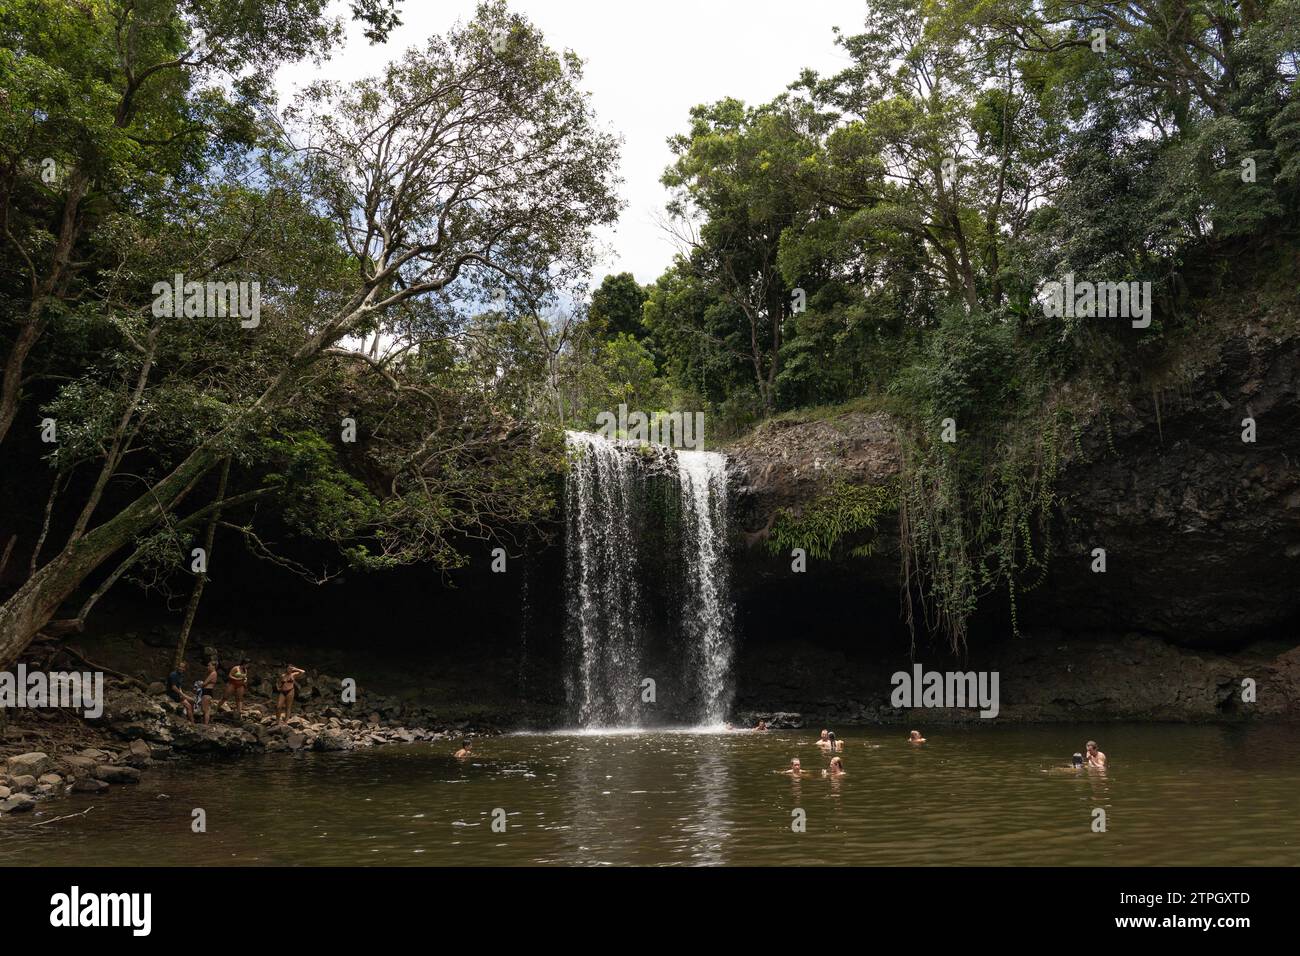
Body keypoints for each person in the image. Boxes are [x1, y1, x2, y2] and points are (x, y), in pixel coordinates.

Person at [200, 660, 219, 725]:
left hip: (207, 692)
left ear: (213, 666)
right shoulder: (212, 673)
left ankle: (206, 724)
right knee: (204, 709)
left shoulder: (213, 673)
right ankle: (205, 723)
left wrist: (199, 684)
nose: (207, 667)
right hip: (206, 691)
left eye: (209, 665)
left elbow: (204, 683)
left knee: (206, 710)